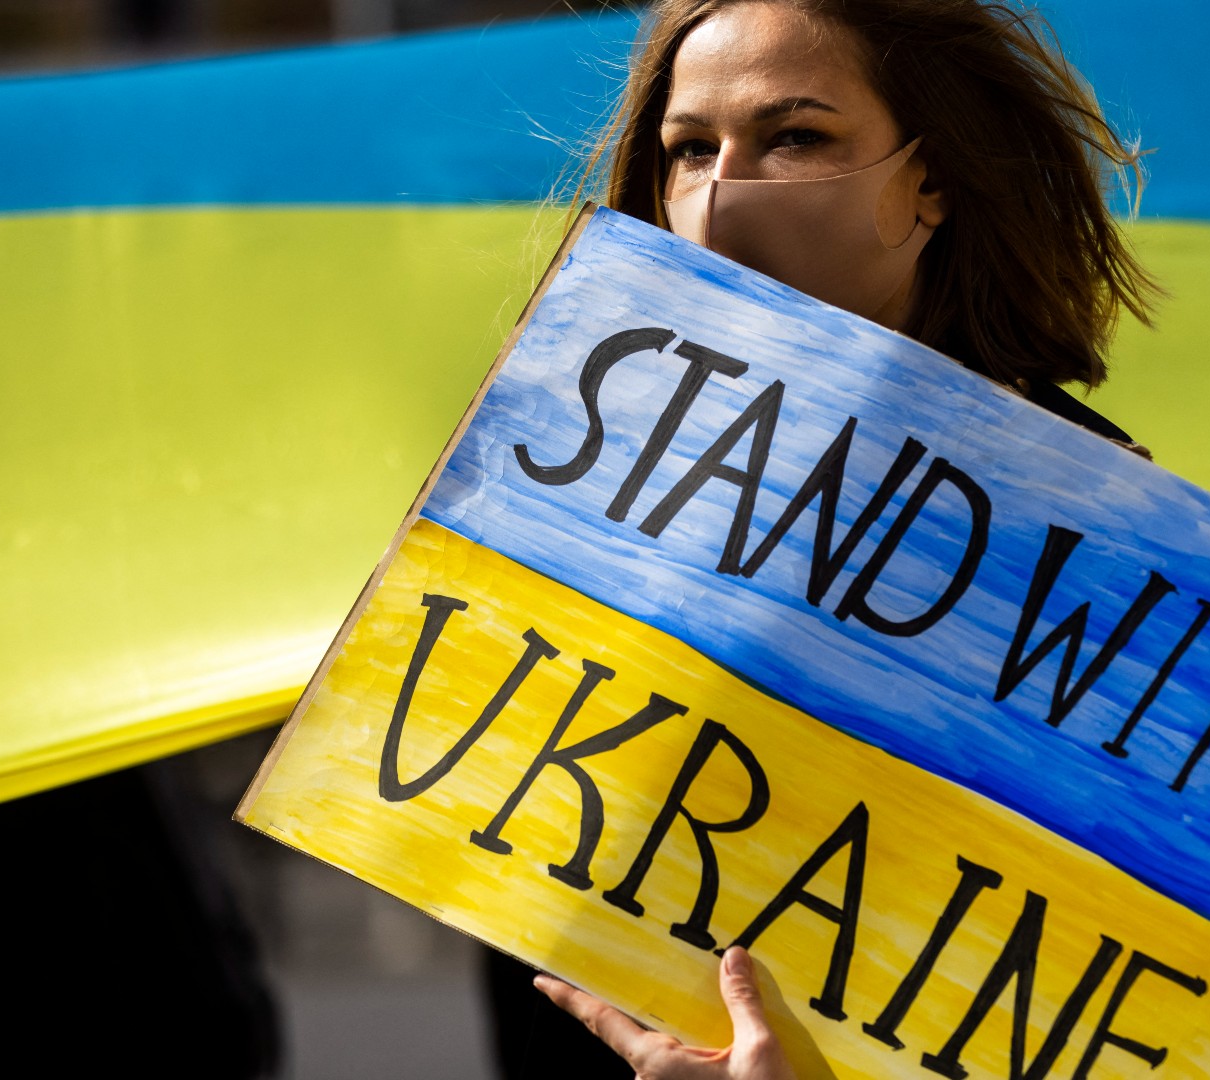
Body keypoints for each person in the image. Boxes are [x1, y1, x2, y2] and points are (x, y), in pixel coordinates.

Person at [489, 1, 1158, 1076]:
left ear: (930, 179)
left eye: (796, 136)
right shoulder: (565, 475)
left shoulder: (1102, 535)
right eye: (689, 149)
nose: (720, 195)